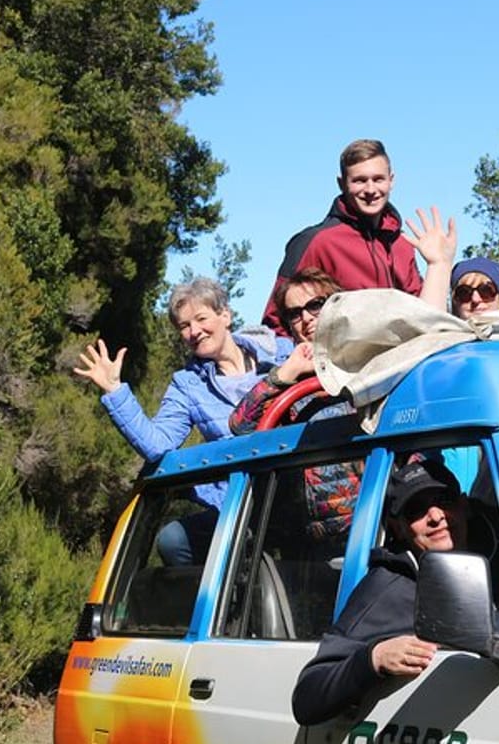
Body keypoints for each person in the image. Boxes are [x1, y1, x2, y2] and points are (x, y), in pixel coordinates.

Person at [74, 277, 294, 563]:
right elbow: (157, 446)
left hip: (295, 490)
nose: (194, 331)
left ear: (225, 315)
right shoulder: (188, 385)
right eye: (184, 326)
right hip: (240, 505)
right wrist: (115, 390)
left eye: (201, 318)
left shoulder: (281, 353)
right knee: (174, 541)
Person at [291, 459, 468, 726]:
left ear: (464, 505)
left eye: (444, 500)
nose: (435, 516)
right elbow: (306, 699)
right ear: (398, 527)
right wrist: (374, 658)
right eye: (416, 510)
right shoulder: (386, 590)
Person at [262, 139, 455, 333]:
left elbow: (424, 318)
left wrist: (439, 266)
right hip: (340, 361)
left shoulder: (402, 245)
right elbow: (275, 322)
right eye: (359, 181)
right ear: (341, 183)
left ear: (391, 180)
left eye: (378, 179)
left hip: (401, 359)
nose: (370, 190)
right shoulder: (316, 242)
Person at [230, 268, 360, 545]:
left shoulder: (366, 359)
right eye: (294, 313)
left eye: (315, 305)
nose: (306, 318)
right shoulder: (289, 380)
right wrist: (285, 374)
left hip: (370, 524)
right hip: (308, 543)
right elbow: (240, 426)